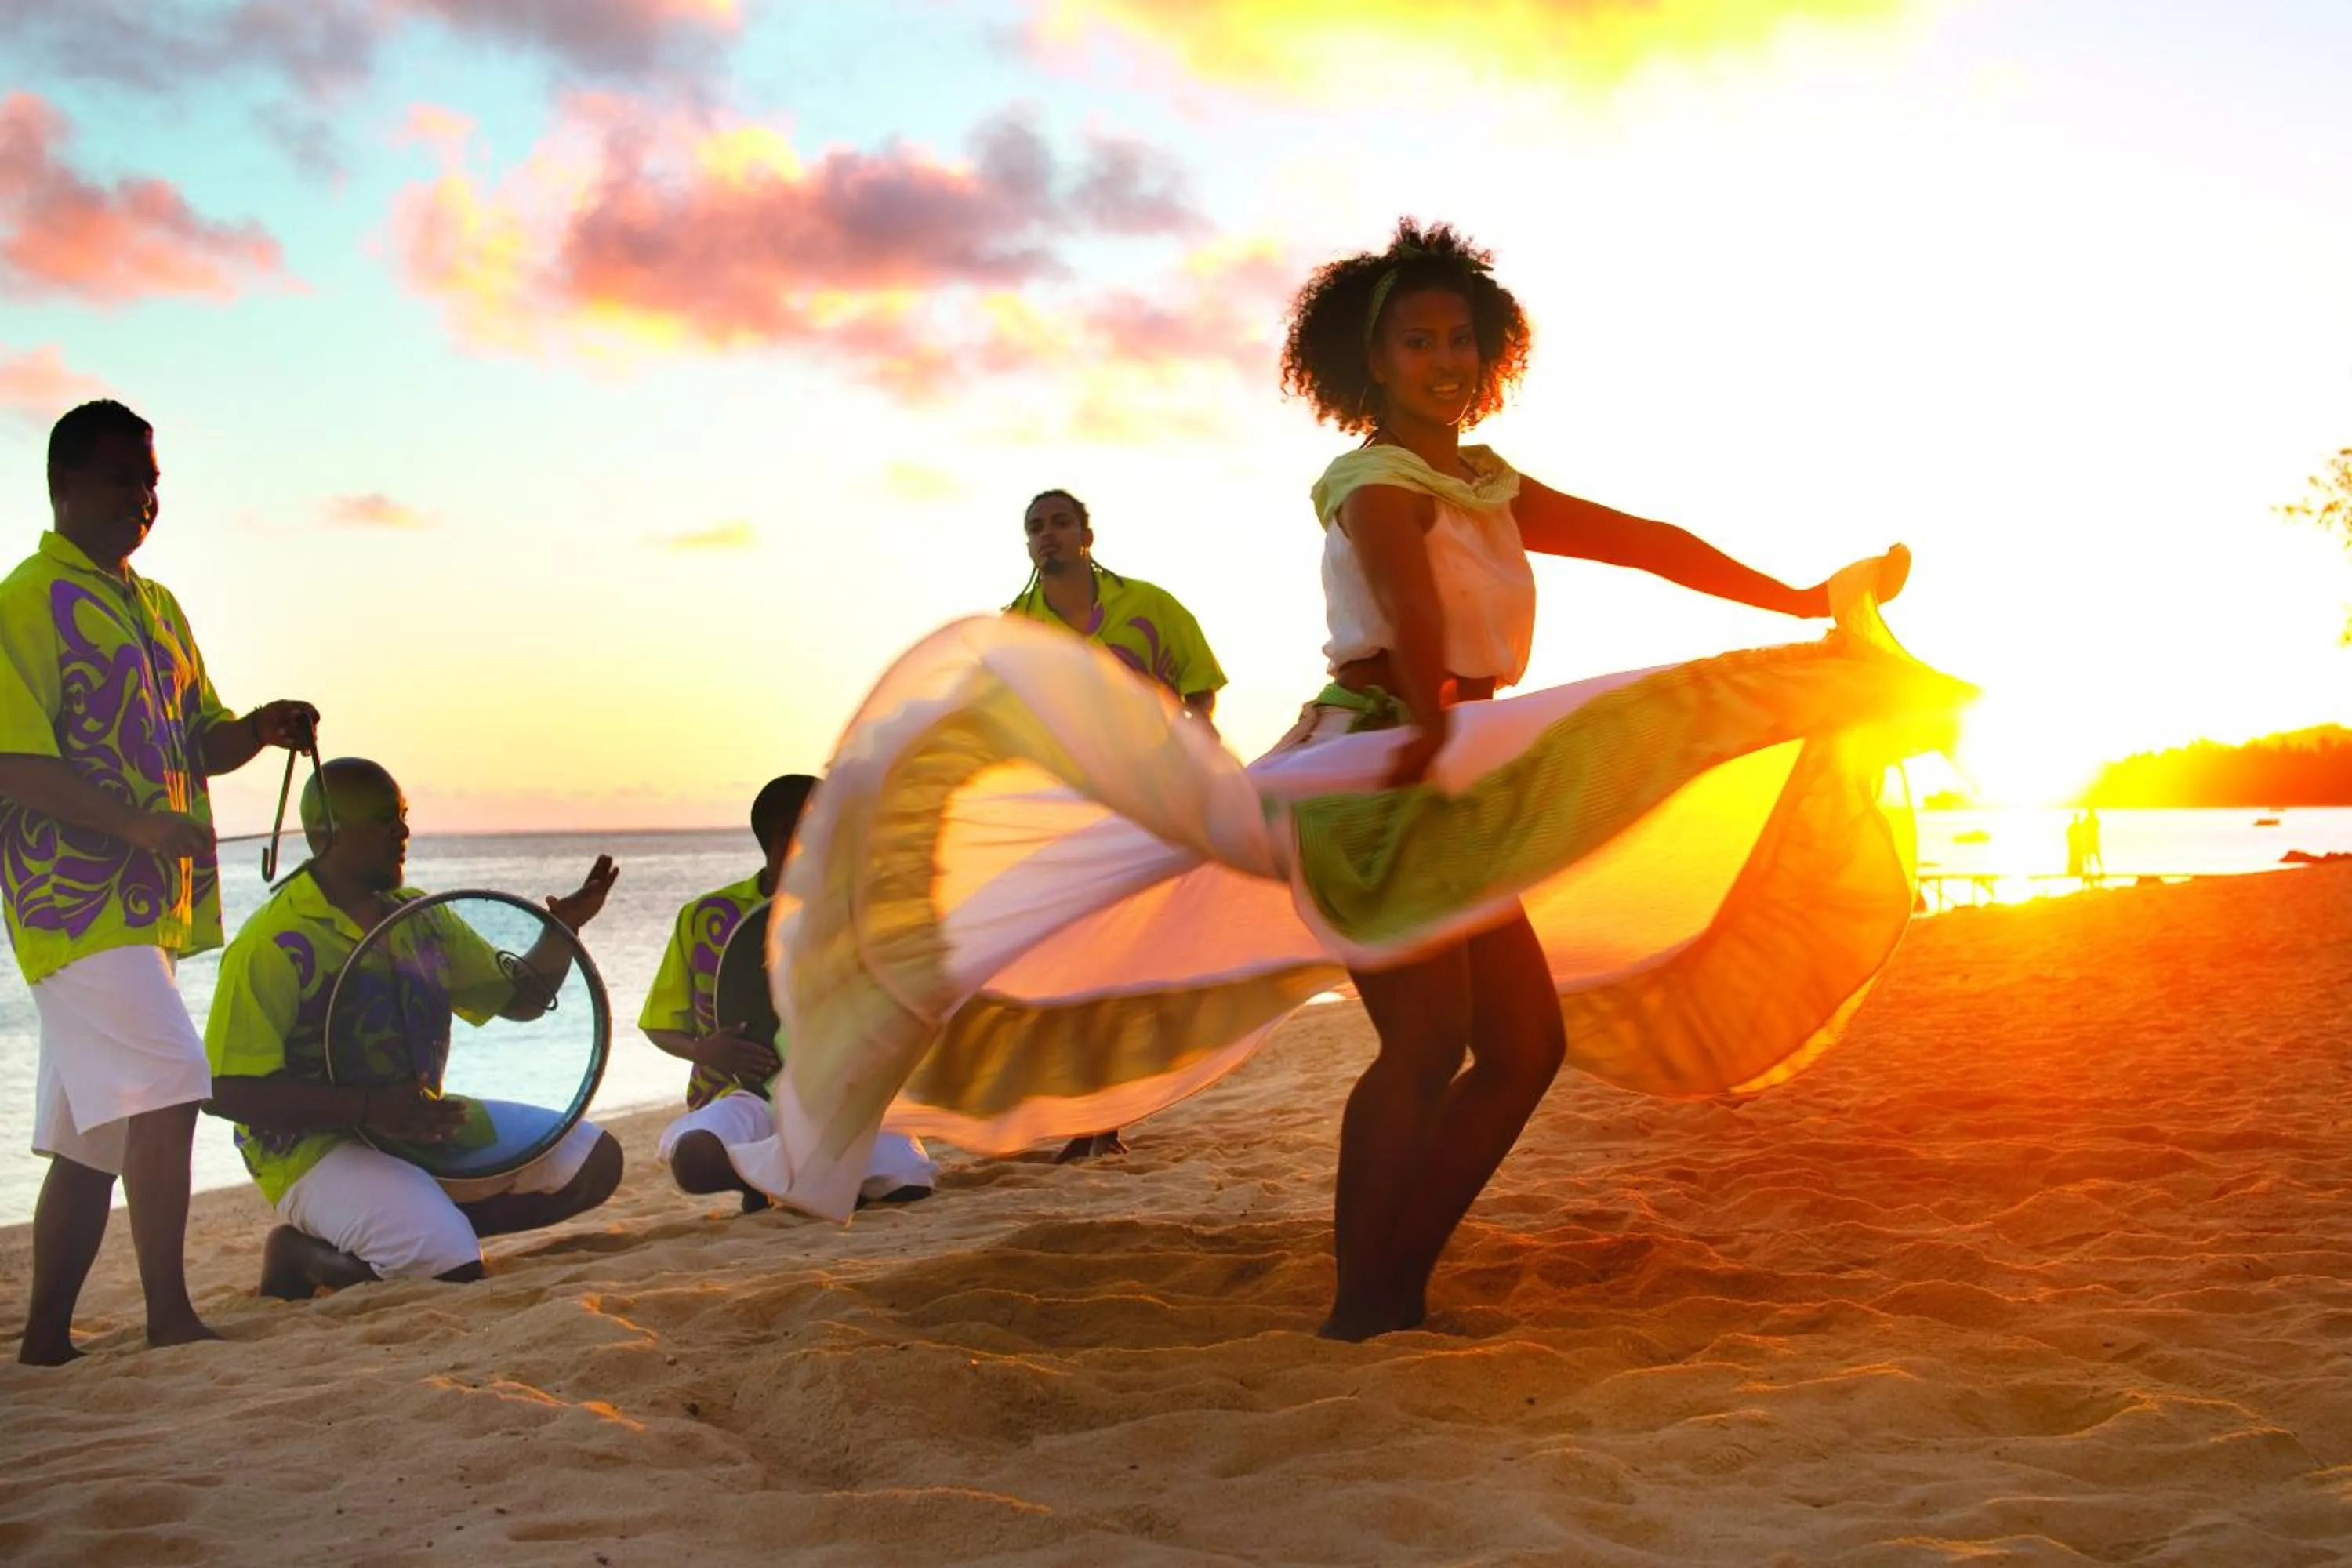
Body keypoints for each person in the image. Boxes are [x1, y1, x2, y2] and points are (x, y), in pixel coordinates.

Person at [1277, 220, 1904, 1338]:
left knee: (1523, 1047)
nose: (1445, 360)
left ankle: (1392, 1286)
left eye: (1461, 338)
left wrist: (1806, 600)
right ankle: (1365, 1307)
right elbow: (1407, 605)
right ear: (1371, 363)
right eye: (1416, 341)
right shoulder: (1372, 480)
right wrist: (1430, 721)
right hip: (1379, 764)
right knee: (1424, 1044)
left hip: (1451, 760)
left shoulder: (1484, 483)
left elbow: (1648, 541)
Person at [1, 398, 321, 1364]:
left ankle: (46, 1339)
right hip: (71, 902)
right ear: (63, 486)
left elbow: (201, 738)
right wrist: (133, 821)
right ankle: (169, 1317)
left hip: (148, 911)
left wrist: (260, 727)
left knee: (90, 1138)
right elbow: (12, 759)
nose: (142, 497)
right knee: (175, 1082)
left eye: (152, 481)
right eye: (120, 478)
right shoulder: (24, 600)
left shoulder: (159, 606)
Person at [203, 758, 625, 1300]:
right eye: (383, 819)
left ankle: (415, 1219)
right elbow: (223, 1091)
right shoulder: (272, 941)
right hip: (311, 1150)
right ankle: (302, 1253)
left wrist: (563, 928)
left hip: (416, 1124)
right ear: (325, 831)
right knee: (449, 1269)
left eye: (403, 816)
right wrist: (369, 1109)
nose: (403, 831)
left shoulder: (418, 915)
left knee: (593, 1161)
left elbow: (517, 1001)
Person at [1007, 488, 1229, 1160]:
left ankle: (1108, 1118)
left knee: (1129, 960)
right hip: (1063, 816)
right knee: (1073, 969)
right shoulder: (1016, 627)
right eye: (1036, 528)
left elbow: (1200, 686)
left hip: (1147, 811)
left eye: (1060, 523)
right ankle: (1091, 1119)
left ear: (1086, 535)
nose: (1048, 535)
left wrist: (1187, 755)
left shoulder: (1150, 607)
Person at [640, 773, 935, 1210]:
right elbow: (659, 1025)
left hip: (838, 1096)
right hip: (742, 1094)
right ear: (787, 833)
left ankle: (807, 1179)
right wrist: (708, 1052)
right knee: (694, 1158)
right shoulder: (706, 917)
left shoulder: (854, 914)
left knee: (908, 1182)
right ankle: (761, 1184)